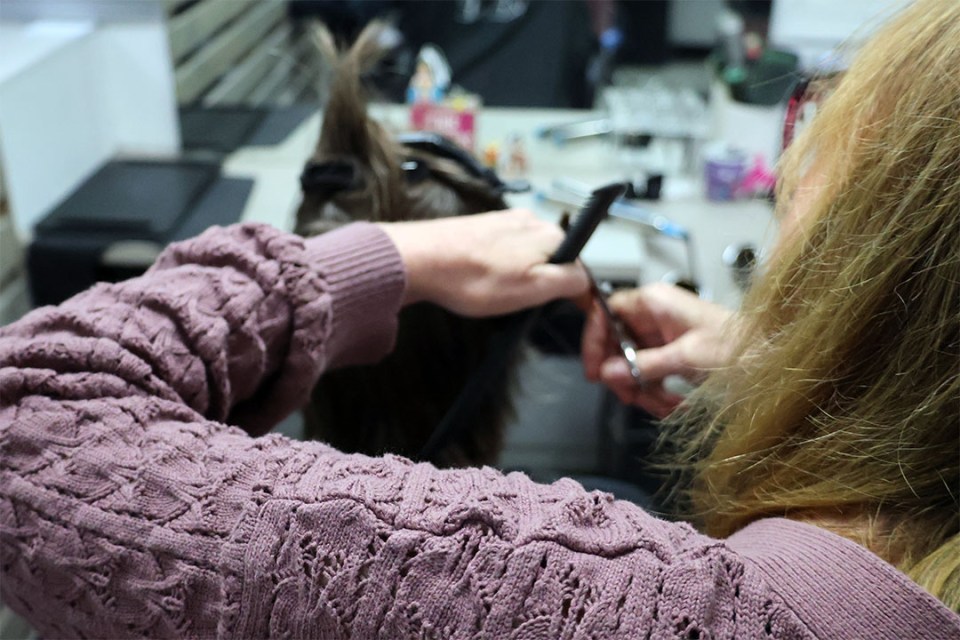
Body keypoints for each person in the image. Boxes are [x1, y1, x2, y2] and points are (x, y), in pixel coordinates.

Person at [0, 3, 957, 640]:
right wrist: (791, 363)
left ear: (885, 238)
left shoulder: (623, 605)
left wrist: (395, 258)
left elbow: (28, 426)